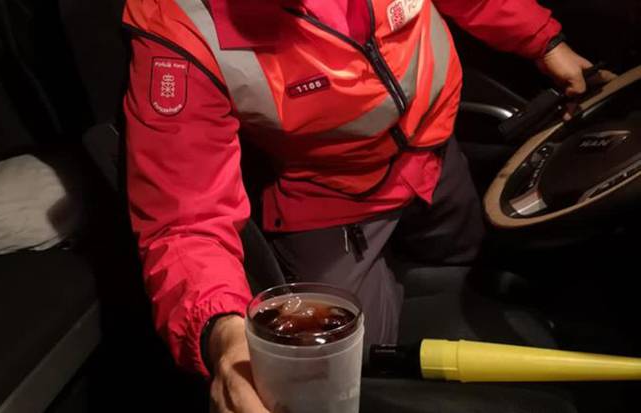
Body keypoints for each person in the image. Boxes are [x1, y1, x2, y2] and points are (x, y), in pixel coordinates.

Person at [122, 0, 609, 411]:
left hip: (437, 155)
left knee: (469, 271)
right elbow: (185, 219)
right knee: (346, 377)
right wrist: (224, 337)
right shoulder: (180, 25)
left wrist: (544, 41)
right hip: (329, 197)